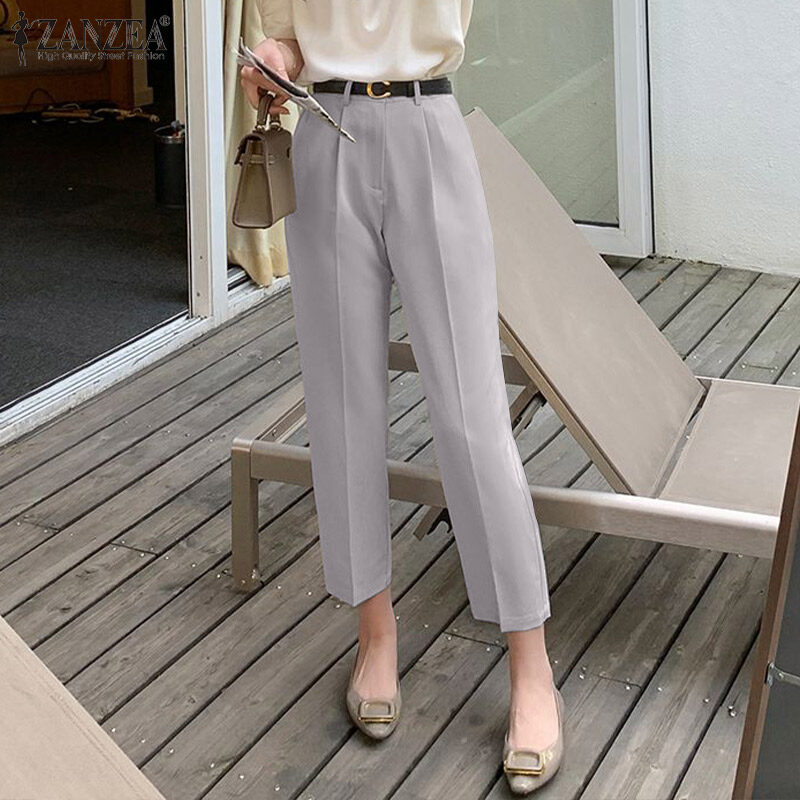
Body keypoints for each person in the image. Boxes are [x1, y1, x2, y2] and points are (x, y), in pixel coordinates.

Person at [241, 2, 563, 793]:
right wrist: (275, 59)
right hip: (325, 131)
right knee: (341, 401)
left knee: (471, 413)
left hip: (427, 126)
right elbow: (286, 33)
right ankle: (374, 632)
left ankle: (532, 666)